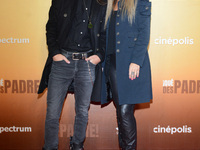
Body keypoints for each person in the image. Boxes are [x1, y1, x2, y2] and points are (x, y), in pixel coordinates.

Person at [37, 0, 107, 149]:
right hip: (62, 62)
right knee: (53, 112)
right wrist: (55, 53)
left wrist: (100, 55)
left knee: (82, 111)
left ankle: (77, 145)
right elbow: (51, 28)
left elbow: (106, 32)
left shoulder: (102, 3)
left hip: (86, 63)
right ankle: (50, 146)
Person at [101, 0, 152, 149]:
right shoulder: (110, 4)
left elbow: (144, 32)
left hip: (130, 64)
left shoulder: (139, 2)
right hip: (112, 64)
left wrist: (136, 61)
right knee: (120, 111)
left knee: (124, 110)